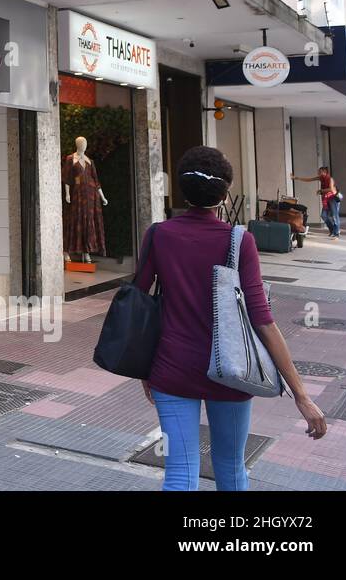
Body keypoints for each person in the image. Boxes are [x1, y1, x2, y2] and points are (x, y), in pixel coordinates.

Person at [135, 146, 327, 491]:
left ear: (183, 191)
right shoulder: (239, 240)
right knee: (231, 467)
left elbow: (139, 303)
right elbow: (262, 320)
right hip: (232, 372)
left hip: (171, 368)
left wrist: (144, 368)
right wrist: (301, 393)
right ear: (224, 195)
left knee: (180, 470)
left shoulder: (158, 235)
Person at [291, 166, 341, 239]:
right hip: (326, 199)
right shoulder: (321, 178)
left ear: (325, 172)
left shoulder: (330, 179)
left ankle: (336, 233)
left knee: (334, 216)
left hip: (333, 198)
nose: (318, 173)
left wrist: (320, 191)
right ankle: (332, 230)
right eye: (318, 172)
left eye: (320, 172)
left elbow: (331, 189)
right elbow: (309, 179)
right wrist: (297, 178)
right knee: (323, 215)